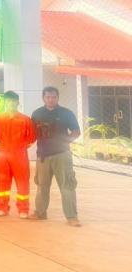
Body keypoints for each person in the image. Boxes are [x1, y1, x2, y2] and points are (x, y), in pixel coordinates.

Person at [30, 87, 81, 227]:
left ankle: (72, 217)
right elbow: (32, 133)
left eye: (53, 97)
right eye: (48, 97)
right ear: (43, 98)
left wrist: (65, 142)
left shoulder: (66, 113)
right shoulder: (37, 114)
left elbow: (76, 131)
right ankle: (40, 213)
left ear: (57, 98)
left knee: (67, 186)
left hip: (62, 155)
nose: (51, 99)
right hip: (43, 156)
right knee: (42, 186)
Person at [0, 91, 36, 218]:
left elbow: (31, 138)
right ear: (5, 102)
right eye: (8, 101)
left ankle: (23, 209)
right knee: (2, 182)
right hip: (3, 157)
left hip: (20, 156)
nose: (11, 103)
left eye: (13, 101)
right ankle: (2, 208)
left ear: (18, 102)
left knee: (22, 183)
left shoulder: (26, 120)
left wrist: (20, 147)